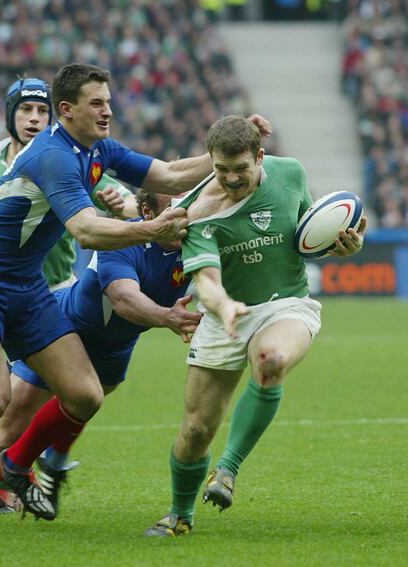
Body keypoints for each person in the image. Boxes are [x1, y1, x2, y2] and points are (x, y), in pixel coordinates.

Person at [0, 63, 271, 537]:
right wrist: (151, 229)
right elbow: (85, 229)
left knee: (85, 395)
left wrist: (228, 149)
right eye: (97, 103)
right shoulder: (54, 155)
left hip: (26, 288)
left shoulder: (98, 149)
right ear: (67, 110)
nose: (108, 111)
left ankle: (15, 466)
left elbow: (168, 174)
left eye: (108, 101)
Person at [0, 77, 137, 515]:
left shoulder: (70, 157)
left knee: (12, 399)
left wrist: (130, 210)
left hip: (45, 291)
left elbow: (124, 199)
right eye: (25, 110)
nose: (34, 119)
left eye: (41, 111)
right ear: (10, 115)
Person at [144, 116, 366, 537]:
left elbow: (307, 238)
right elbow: (207, 283)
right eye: (221, 169)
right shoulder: (195, 213)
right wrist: (224, 305)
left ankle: (227, 469)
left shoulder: (291, 174)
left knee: (271, 359)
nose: (231, 178)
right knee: (196, 429)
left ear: (260, 157)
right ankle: (180, 514)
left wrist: (344, 245)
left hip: (286, 304)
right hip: (225, 314)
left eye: (240, 169)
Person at [0, 190, 203, 523]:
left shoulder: (197, 244)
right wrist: (168, 317)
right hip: (64, 332)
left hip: (116, 348)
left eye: (188, 206)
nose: (184, 214)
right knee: (11, 425)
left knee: (79, 407)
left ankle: (50, 462)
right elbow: (124, 299)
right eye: (175, 208)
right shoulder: (121, 238)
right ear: (148, 213)